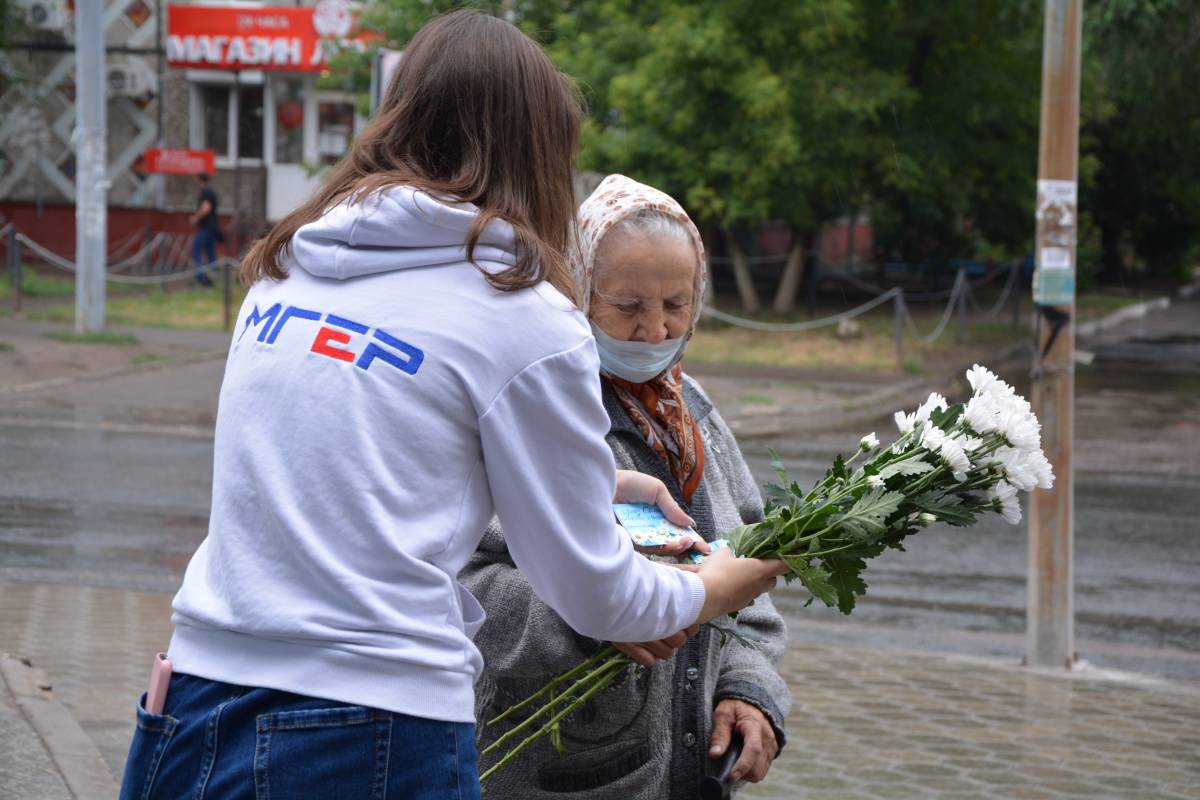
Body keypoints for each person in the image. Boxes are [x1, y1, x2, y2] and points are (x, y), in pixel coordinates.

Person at [118, 12, 784, 800]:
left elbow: (366, 465)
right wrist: (718, 587)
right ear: (537, 149)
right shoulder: (523, 317)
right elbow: (599, 593)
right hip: (365, 730)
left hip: (192, 696)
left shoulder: (286, 270)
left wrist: (596, 481)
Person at [464, 175, 790, 799]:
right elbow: (468, 589)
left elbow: (748, 572)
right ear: (579, 292)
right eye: (629, 306)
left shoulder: (695, 415)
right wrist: (597, 611)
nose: (656, 331)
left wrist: (748, 690)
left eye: (676, 304)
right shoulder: (536, 409)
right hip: (565, 778)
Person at [189, 173, 220, 287]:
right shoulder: (211, 192)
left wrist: (195, 218)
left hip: (206, 228)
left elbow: (206, 208)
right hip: (212, 228)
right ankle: (215, 279)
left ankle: (202, 278)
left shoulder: (205, 192)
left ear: (200, 181)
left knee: (196, 251)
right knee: (211, 254)